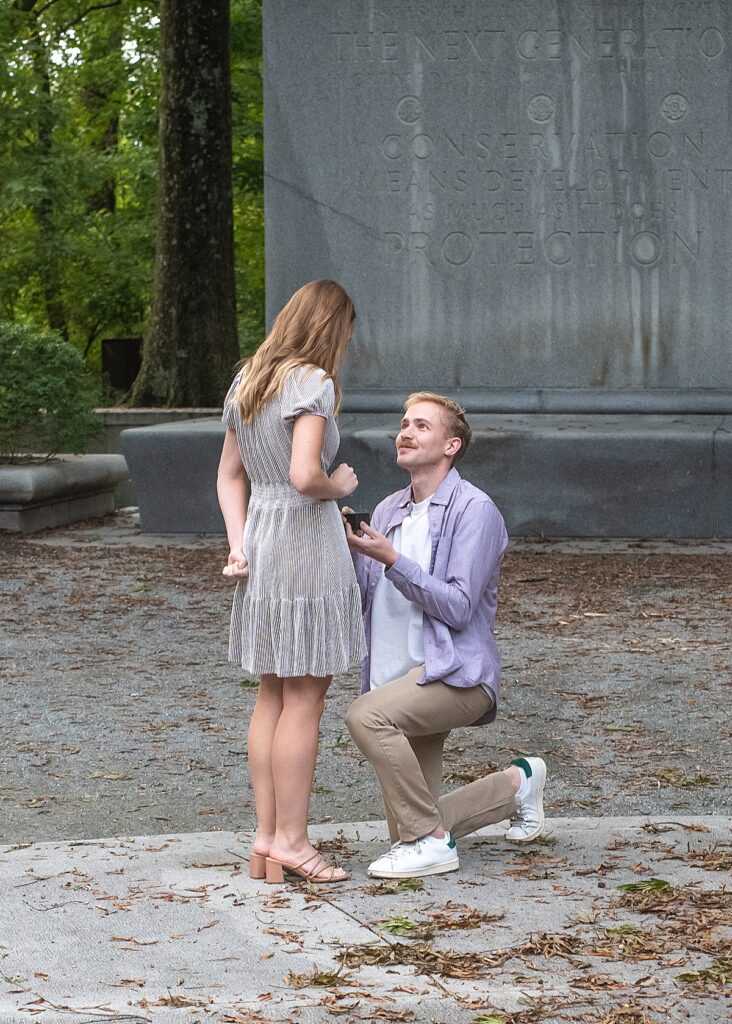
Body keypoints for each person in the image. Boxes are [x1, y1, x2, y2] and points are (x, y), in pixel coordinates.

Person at [344, 392, 547, 879]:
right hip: (397, 675)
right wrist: (347, 550)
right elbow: (367, 596)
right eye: (403, 424)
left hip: (454, 675)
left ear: (451, 444)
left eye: (420, 426)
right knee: (408, 827)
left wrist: (392, 560)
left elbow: (458, 606)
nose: (405, 432)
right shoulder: (390, 508)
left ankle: (431, 840)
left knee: (365, 719)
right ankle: (518, 784)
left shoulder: (475, 510)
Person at [217, 280, 366, 884]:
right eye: (347, 334)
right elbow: (307, 476)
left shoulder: (250, 379)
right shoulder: (314, 382)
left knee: (272, 693)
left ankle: (265, 839)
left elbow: (229, 477)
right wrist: (342, 486)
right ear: (332, 328)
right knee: (306, 696)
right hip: (305, 541)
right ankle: (294, 843)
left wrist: (237, 544)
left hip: (263, 541)